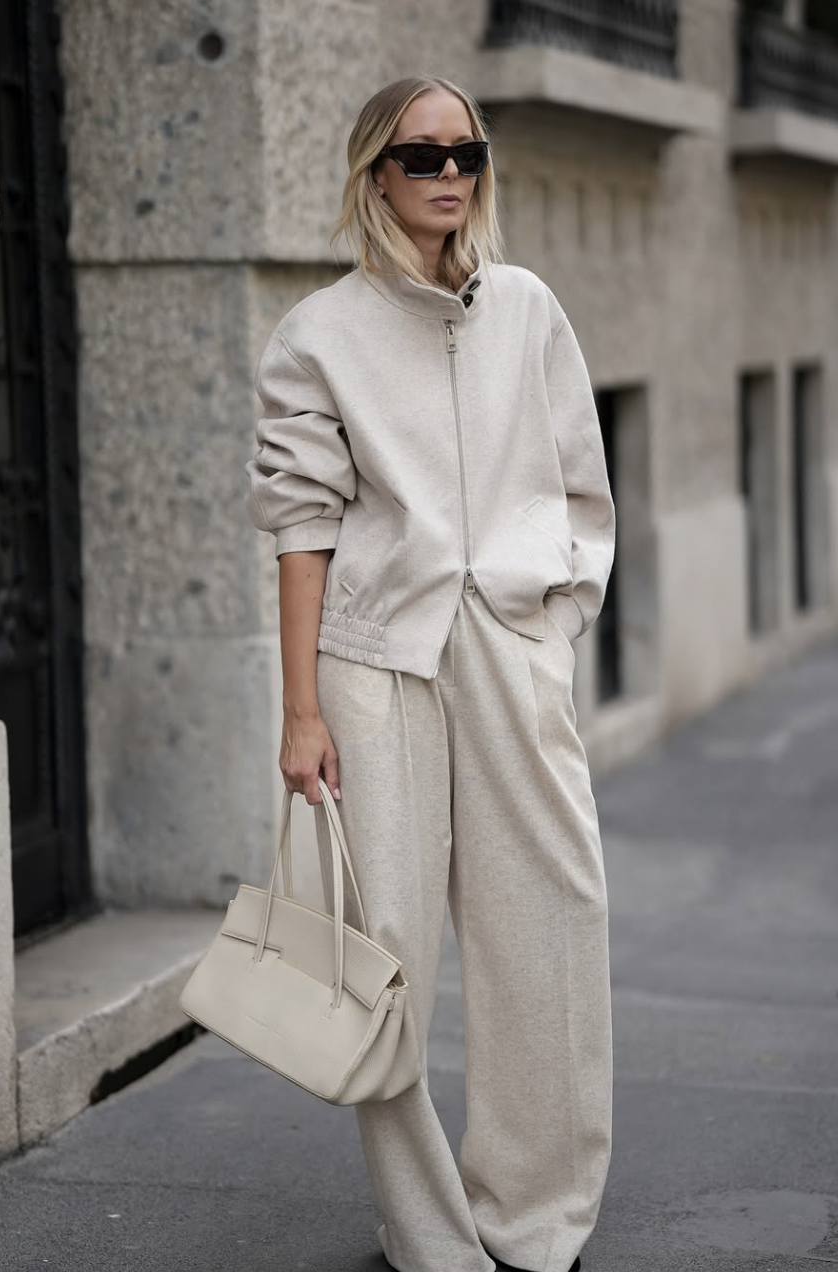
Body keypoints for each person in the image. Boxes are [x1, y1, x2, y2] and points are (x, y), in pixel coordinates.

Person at [244, 73, 615, 1272]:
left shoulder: (528, 312)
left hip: (509, 651)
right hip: (373, 664)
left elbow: (580, 487)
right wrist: (302, 709)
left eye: (467, 152)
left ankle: (536, 1217)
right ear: (375, 174)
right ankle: (430, 1234)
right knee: (386, 955)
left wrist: (549, 631)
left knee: (550, 924)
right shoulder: (319, 335)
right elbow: (303, 527)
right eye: (421, 155)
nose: (449, 173)